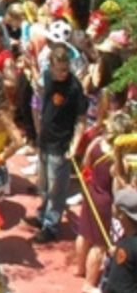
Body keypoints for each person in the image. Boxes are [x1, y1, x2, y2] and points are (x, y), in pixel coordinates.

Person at [25, 42, 88, 243]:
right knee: (43, 184)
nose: (63, 73)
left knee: (56, 188)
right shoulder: (47, 78)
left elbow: (81, 119)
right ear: (51, 66)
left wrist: (74, 145)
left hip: (61, 145)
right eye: (59, 69)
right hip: (45, 140)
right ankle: (42, 215)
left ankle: (51, 226)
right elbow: (41, 92)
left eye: (66, 68)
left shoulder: (74, 87)